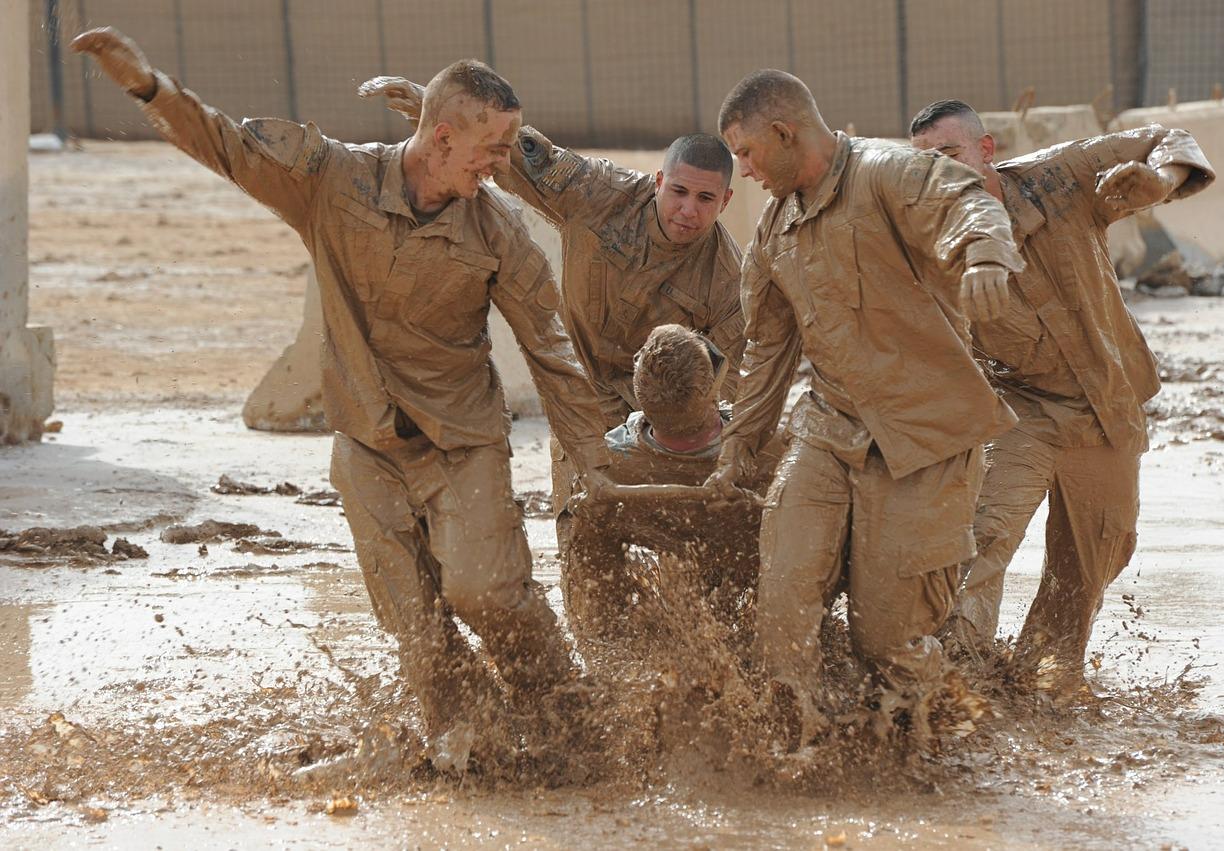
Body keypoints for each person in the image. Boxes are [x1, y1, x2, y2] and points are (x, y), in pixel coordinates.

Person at [71, 28, 613, 744]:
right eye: (494, 148)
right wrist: (149, 88)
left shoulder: (498, 232)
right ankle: (467, 744)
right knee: (416, 626)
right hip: (366, 442)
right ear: (442, 138)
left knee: (486, 591)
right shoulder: (332, 178)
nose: (502, 164)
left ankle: (571, 719)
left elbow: (552, 353)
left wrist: (599, 469)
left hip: (463, 442)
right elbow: (229, 149)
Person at [708, 70, 1024, 744]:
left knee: (886, 640)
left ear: (784, 133)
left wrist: (985, 258)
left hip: (927, 439)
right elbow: (766, 352)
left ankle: (943, 734)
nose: (745, 170)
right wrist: (736, 448)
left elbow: (967, 200)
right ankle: (801, 748)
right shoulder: (774, 229)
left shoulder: (888, 173)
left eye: (747, 152)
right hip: (828, 429)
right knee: (783, 600)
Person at [909, 100, 1214, 697]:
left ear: (986, 151)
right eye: (925, 165)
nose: (940, 174)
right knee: (984, 535)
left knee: (1098, 554)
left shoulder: (1057, 178)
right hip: (1017, 408)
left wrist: (1158, 181)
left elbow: (1168, 137)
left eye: (950, 155)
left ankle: (1044, 678)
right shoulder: (927, 239)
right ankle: (957, 683)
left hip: (1107, 405)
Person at [360, 76, 746, 540]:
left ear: (724, 201)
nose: (688, 210)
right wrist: (434, 111)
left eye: (705, 199)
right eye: (679, 192)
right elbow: (523, 158)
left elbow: (724, 388)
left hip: (660, 420)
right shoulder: (603, 193)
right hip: (580, 393)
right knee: (582, 528)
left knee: (678, 535)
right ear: (660, 181)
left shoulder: (729, 283)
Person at [562, 325, 783, 639]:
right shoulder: (770, 453)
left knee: (589, 514)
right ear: (713, 391)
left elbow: (586, 555)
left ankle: (611, 637)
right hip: (748, 573)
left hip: (668, 551)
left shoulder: (610, 468)